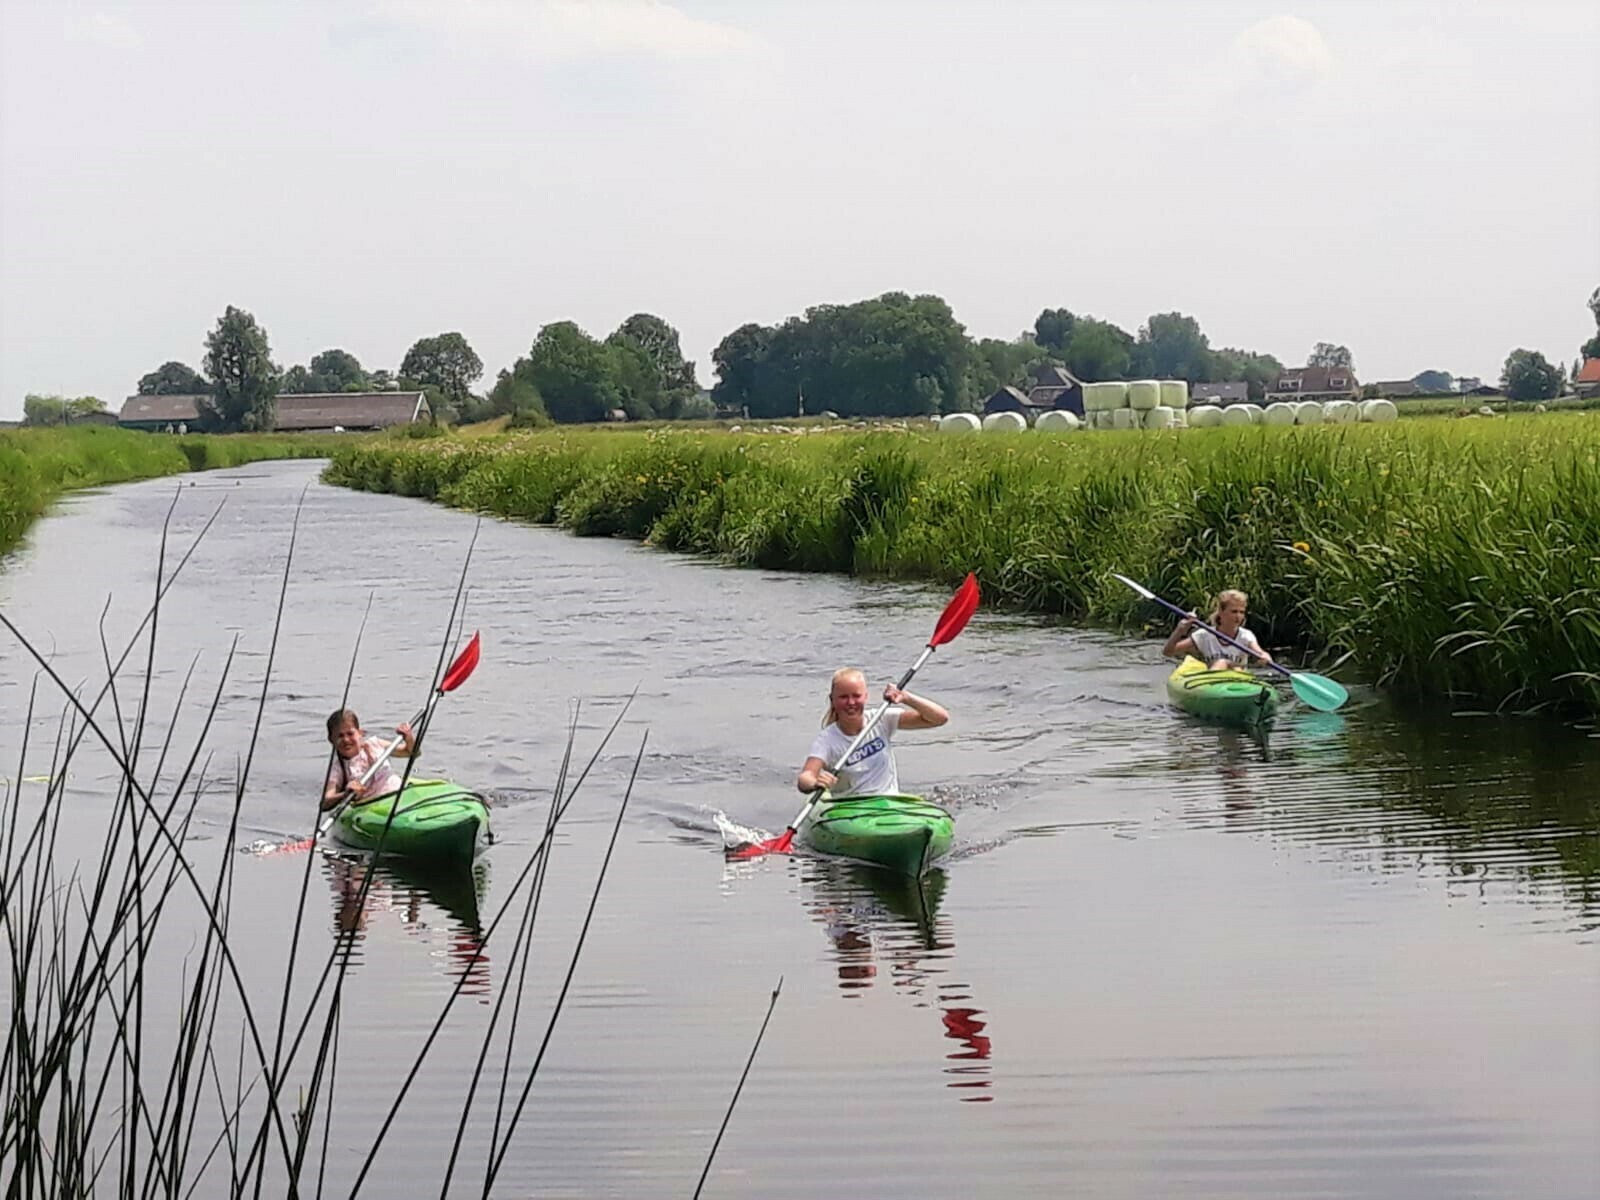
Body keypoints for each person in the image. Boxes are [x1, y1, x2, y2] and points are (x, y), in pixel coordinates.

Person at [795, 667, 949, 798]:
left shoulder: (881, 719)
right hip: (848, 807)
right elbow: (805, 777)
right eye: (843, 697)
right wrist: (814, 783)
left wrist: (906, 698)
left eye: (856, 696)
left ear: (866, 697)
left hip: (888, 800)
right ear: (832, 700)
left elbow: (939, 718)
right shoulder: (827, 740)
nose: (851, 703)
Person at [323, 708, 415, 810]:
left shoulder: (375, 743)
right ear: (331, 740)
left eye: (350, 733)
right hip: (375, 807)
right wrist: (345, 794)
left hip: (400, 793)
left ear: (360, 733)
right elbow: (325, 802)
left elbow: (411, 752)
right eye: (340, 736)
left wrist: (409, 738)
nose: (346, 740)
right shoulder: (338, 768)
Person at [1163, 589, 1274, 671]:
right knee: (1222, 662)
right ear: (1221, 611)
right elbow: (1168, 652)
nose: (1238, 616)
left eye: (1241, 612)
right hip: (1214, 684)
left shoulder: (1246, 636)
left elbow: (1259, 652)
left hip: (1238, 682)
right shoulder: (1204, 635)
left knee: (1235, 668)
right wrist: (1180, 630)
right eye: (1234, 611)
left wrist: (1264, 656)